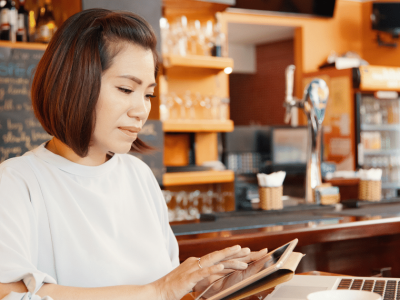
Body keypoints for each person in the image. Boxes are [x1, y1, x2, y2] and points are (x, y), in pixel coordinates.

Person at [0, 9, 268, 300]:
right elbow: (10, 295)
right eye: (126, 88)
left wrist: (209, 288)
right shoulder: (16, 183)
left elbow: (163, 289)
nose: (141, 111)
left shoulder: (138, 175)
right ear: (74, 82)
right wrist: (159, 290)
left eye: (148, 94)